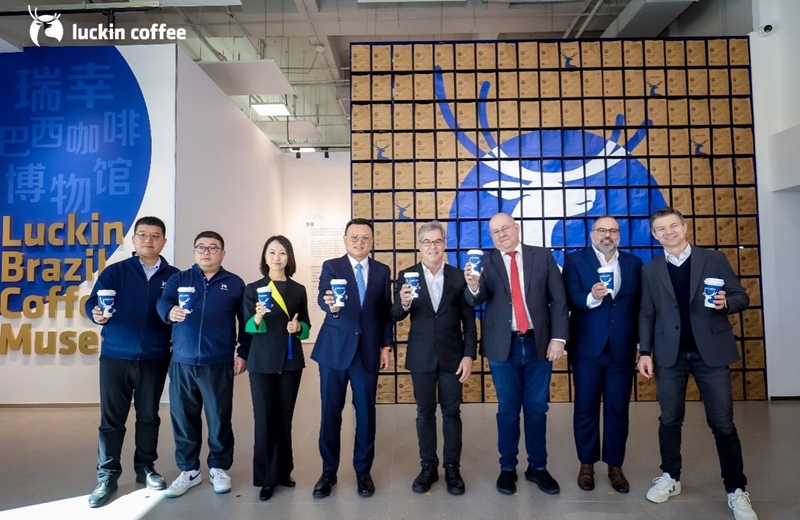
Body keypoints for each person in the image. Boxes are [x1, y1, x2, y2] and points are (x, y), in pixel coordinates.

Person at [638, 207, 757, 520]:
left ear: (685, 227)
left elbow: (741, 297)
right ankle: (671, 477)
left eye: (673, 226)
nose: (668, 232)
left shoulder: (713, 259)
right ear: (654, 235)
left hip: (711, 353)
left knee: (722, 423)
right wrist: (644, 351)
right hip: (668, 354)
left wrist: (726, 303)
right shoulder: (650, 269)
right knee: (669, 420)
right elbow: (647, 313)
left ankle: (736, 490)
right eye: (661, 229)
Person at [464, 212, 569, 496]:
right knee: (508, 410)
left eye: (505, 229)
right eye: (495, 232)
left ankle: (538, 467)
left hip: (539, 345)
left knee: (536, 409)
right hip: (503, 347)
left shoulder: (542, 256)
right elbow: (476, 299)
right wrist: (473, 285)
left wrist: (558, 338)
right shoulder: (485, 261)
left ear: (516, 228)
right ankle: (507, 468)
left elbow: (558, 299)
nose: (501, 235)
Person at [84, 216, 179, 508]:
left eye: (155, 236)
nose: (148, 240)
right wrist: (96, 314)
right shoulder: (116, 272)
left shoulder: (174, 276)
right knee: (111, 421)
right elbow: (92, 303)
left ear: (164, 241)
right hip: (115, 356)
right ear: (134, 240)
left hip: (155, 356)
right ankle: (107, 477)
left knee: (149, 416)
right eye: (142, 235)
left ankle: (146, 468)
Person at [156, 231, 250, 498]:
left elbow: (245, 322)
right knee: (183, 418)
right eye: (201, 247)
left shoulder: (233, 283)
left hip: (218, 361)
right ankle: (189, 470)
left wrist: (242, 352)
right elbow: (163, 301)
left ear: (223, 253)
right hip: (182, 361)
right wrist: (168, 311)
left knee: (219, 417)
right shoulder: (180, 278)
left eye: (213, 247)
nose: (206, 252)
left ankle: (219, 467)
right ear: (194, 252)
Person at [391, 221, 477, 495]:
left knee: (452, 413)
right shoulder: (406, 275)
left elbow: (469, 320)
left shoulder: (458, 276)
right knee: (424, 413)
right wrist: (404, 302)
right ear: (419, 246)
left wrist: (469, 355)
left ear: (444, 244)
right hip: (421, 356)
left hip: (453, 357)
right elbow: (396, 314)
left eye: (437, 241)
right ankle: (428, 466)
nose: (432, 246)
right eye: (427, 242)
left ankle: (453, 468)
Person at [310, 218, 393, 498]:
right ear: (345, 239)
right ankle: (328, 471)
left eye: (365, 238)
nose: (360, 242)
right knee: (330, 412)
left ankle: (363, 471)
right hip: (334, 351)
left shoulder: (382, 271)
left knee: (366, 413)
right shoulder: (332, 266)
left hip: (367, 351)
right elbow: (324, 296)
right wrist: (329, 303)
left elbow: (384, 313)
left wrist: (386, 346)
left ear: (372, 241)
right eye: (354, 237)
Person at [562, 216, 642, 493]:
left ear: (619, 234)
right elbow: (569, 297)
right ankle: (586, 464)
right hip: (587, 349)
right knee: (585, 409)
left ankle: (615, 465)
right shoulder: (575, 261)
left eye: (613, 231)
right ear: (592, 233)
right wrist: (592, 296)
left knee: (618, 410)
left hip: (622, 348)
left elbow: (640, 307)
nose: (607, 235)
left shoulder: (633, 263)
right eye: (602, 230)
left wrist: (641, 346)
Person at [242, 236, 310, 502]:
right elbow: (248, 328)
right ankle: (266, 478)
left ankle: (283, 471)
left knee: (284, 417)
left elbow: (305, 326)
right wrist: (258, 315)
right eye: (272, 252)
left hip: (290, 361)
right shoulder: (253, 289)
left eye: (282, 252)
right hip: (261, 362)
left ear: (289, 257)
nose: (277, 257)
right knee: (264, 419)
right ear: (265, 257)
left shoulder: (298, 289)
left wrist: (297, 328)